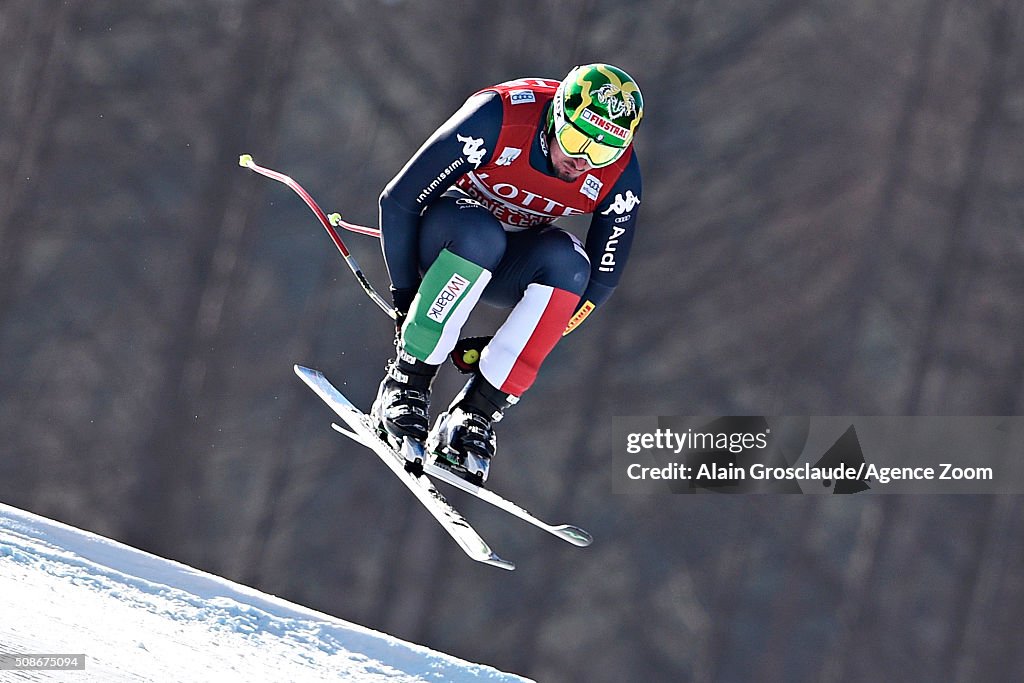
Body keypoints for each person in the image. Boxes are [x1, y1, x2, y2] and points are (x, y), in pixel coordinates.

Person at [371, 63, 644, 485]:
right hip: (448, 237)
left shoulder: (620, 177)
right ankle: (405, 383)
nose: (580, 160)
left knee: (570, 267)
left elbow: (602, 282)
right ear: (555, 116)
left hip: (509, 265)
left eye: (602, 152)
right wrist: (405, 297)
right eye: (574, 139)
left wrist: (520, 338)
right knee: (482, 235)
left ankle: (473, 413)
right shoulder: (498, 116)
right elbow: (399, 200)